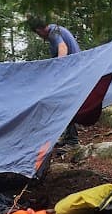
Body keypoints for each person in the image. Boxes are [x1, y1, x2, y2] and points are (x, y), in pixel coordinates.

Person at [27, 16, 81, 144]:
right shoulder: (56, 29)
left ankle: (72, 140)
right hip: (75, 70)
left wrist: (57, 70)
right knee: (64, 104)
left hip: (71, 72)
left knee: (64, 104)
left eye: (37, 33)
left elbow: (63, 48)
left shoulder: (53, 32)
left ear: (39, 30)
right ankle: (69, 136)